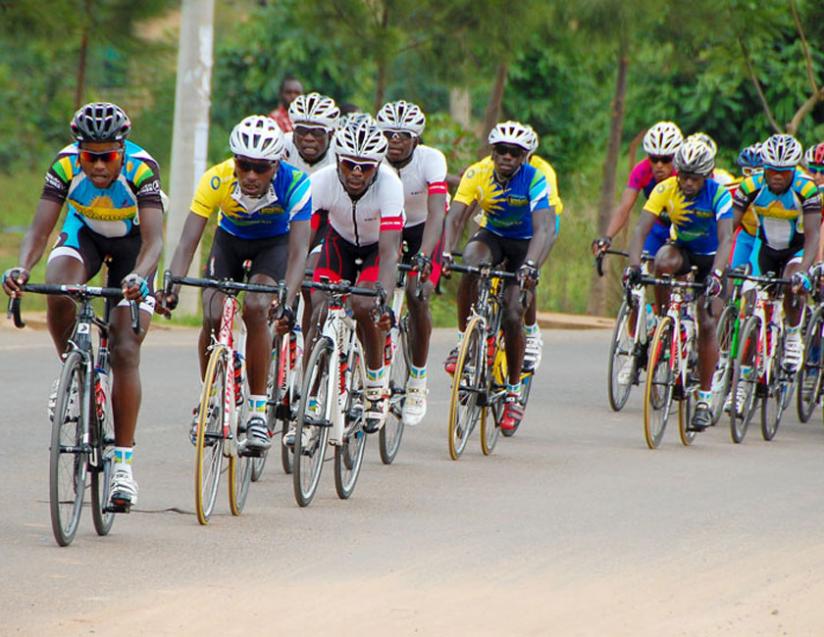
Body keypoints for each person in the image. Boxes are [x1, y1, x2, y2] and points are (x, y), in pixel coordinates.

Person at [2, 102, 164, 510]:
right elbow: (40, 230)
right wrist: (22, 267)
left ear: (122, 150)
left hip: (133, 248)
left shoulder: (142, 170)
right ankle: (71, 367)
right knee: (59, 287)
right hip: (85, 235)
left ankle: (123, 467)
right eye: (89, 156)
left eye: (106, 156)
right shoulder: (64, 166)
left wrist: (138, 276)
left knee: (126, 348)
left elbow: (154, 242)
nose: (97, 166)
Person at [158, 115, 311, 455]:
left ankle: (257, 411)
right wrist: (172, 287)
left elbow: (300, 251)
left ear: (277, 164)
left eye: (261, 168)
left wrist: (288, 294)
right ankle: (210, 397)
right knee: (212, 312)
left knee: (256, 308)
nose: (251, 176)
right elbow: (187, 243)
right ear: (235, 162)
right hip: (230, 242)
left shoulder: (296, 183)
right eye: (244, 166)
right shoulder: (216, 179)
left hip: (275, 246)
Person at [442, 121, 554, 433]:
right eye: (501, 151)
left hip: (526, 242)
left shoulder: (535, 179)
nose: (506, 157)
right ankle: (464, 339)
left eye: (514, 153)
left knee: (514, 311)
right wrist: (446, 252)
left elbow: (545, 227)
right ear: (493, 153)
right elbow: (455, 216)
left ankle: (513, 393)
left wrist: (531, 265)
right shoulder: (477, 173)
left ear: (525, 157)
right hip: (492, 234)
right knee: (471, 265)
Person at [303, 115, 404, 435]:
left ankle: (375, 387)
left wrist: (383, 302)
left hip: (377, 249)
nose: (357, 172)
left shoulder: (391, 186)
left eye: (366, 166)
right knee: (317, 304)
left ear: (377, 166)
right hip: (339, 244)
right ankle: (309, 399)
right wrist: (288, 285)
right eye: (349, 165)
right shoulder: (321, 181)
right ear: (337, 161)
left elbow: (390, 254)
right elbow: (301, 240)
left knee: (364, 305)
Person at [625, 139, 733, 431]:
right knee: (661, 261)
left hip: (713, 259)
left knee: (707, 320)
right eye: (683, 175)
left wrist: (719, 275)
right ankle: (665, 319)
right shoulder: (665, 189)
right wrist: (634, 266)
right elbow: (640, 228)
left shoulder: (718, 195)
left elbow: (726, 239)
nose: (686, 182)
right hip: (683, 251)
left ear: (706, 176)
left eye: (693, 178)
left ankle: (704, 399)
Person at [376, 99, 448, 425]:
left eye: (402, 135)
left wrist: (423, 255)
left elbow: (436, 214)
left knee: (419, 295)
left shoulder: (431, 160)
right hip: (386, 227)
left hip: (423, 231)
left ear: (416, 139)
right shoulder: (373, 159)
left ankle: (417, 380)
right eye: (389, 133)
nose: (394, 140)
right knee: (372, 294)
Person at [730, 134, 821, 383]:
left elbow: (813, 235)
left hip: (796, 251)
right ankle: (742, 381)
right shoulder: (750, 186)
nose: (778, 176)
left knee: (793, 281)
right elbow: (730, 229)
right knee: (749, 306)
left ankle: (792, 334)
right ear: (765, 169)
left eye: (784, 171)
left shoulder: (806, 188)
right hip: (766, 250)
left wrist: (805, 269)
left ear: (793, 169)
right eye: (772, 171)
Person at [284, 92, 340, 337]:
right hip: (287, 216)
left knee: (308, 279)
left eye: (316, 132)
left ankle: (308, 345)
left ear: (331, 134)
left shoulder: (341, 154)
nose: (308, 137)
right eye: (301, 130)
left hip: (326, 220)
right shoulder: (281, 147)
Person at [592, 121, 683, 257]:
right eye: (653, 158)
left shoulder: (684, 174)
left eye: (666, 159)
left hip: (683, 228)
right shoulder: (641, 170)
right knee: (641, 263)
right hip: (657, 227)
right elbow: (624, 208)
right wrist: (607, 237)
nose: (659, 165)